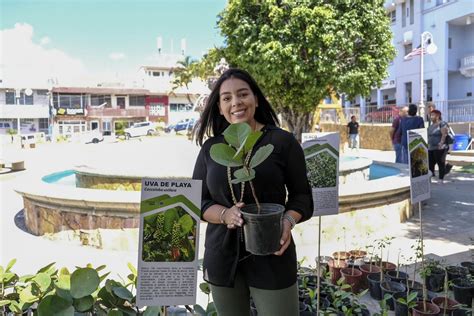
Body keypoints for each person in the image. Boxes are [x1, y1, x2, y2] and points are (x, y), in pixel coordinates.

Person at [192, 68, 313, 316]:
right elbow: (198, 201)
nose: (235, 102)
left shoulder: (281, 142)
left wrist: (288, 221)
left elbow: (303, 197)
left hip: (273, 252)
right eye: (226, 98)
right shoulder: (211, 149)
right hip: (222, 257)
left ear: (256, 99)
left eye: (242, 94)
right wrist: (225, 214)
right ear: (219, 107)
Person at [427, 110, 453, 183]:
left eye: (432, 115)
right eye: (430, 115)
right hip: (431, 147)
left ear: (438, 116)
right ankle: (430, 179)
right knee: (430, 164)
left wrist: (441, 143)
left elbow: (444, 134)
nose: (431, 117)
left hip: (440, 147)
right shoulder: (431, 126)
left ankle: (441, 179)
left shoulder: (442, 123)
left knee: (440, 163)